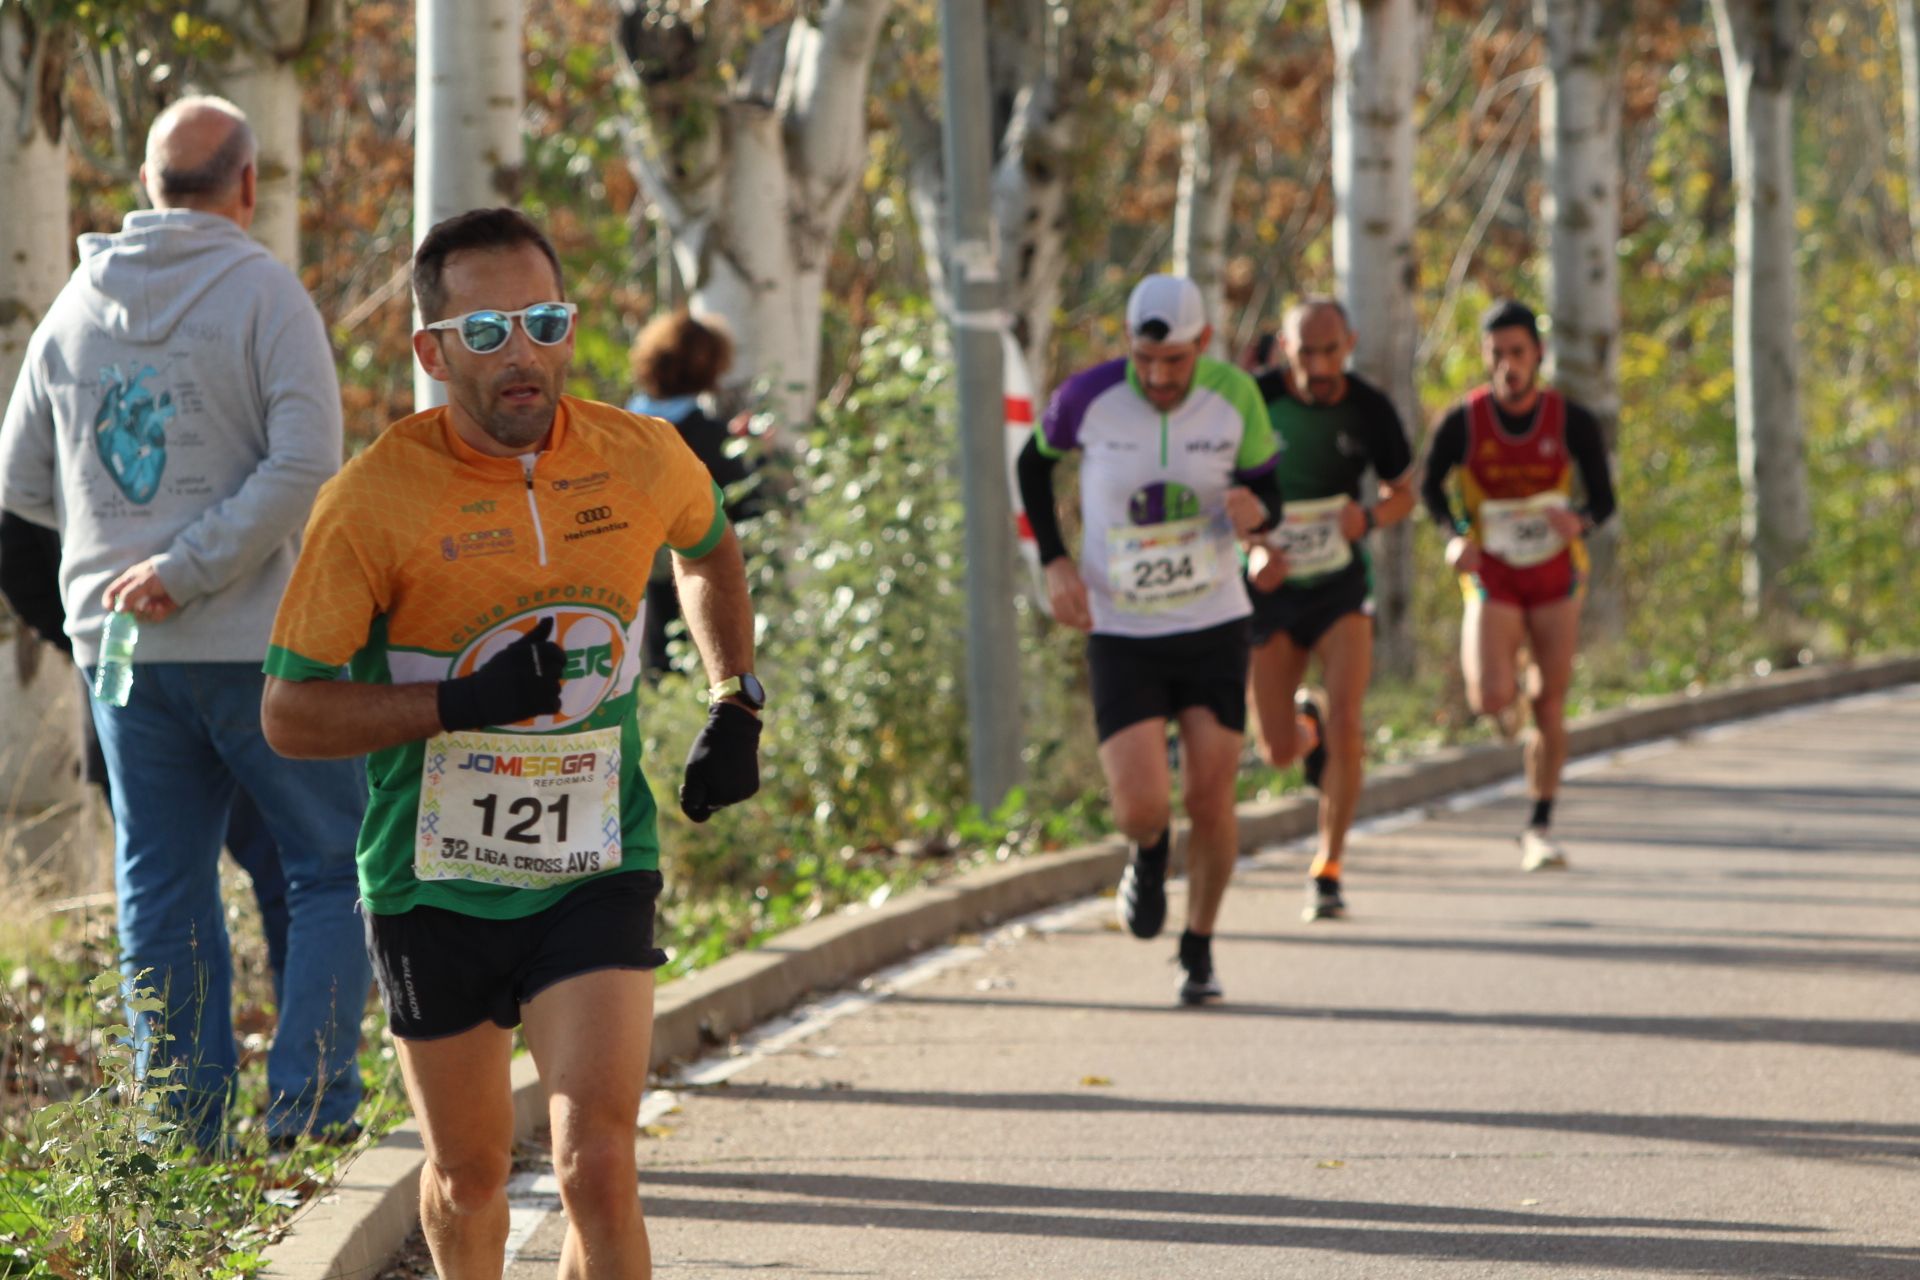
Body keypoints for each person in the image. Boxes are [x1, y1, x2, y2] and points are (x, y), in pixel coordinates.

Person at [260, 208, 762, 1280]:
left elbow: (710, 551)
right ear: (432, 352)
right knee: (474, 1174)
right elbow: (290, 713)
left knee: (598, 1163)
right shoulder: (372, 503)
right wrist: (458, 700)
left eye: (543, 321)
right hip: (431, 879)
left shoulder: (638, 456)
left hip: (593, 864)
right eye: (486, 331)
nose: (522, 353)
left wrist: (736, 696)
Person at [0, 96, 370, 1150]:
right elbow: (304, 460)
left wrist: (97, 602)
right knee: (332, 863)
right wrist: (195, 563)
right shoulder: (264, 294)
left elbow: (18, 491)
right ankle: (309, 1116)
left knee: (159, 886)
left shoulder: (72, 310)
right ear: (247, 183)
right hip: (255, 645)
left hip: (125, 661)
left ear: (152, 185)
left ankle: (184, 1138)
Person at [1017, 273, 1282, 1006]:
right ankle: (1148, 850)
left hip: (1213, 624)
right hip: (1122, 629)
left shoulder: (1235, 397)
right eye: (1145, 361)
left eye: (1176, 363)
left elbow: (1272, 492)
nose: (1160, 378)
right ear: (1129, 347)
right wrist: (1056, 560)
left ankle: (1198, 947)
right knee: (1140, 806)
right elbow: (1031, 468)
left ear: (1203, 344)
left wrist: (1254, 510)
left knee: (1212, 794)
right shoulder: (1087, 397)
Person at [0, 510, 292, 999]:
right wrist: (90, 637)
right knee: (190, 890)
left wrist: (90, 638)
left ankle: (302, 1062)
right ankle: (295, 1067)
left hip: (204, 672)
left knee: (180, 889)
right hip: (196, 669)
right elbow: (13, 526)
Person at [1419, 299, 1616, 871]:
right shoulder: (1464, 421)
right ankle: (1510, 712)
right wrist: (1456, 535)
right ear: (1485, 357)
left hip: (1556, 572)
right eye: (1497, 354)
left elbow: (1604, 499)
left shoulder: (1570, 420)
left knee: (1550, 702)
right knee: (1492, 696)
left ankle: (1539, 823)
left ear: (1538, 356)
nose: (1508, 365)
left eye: (1518, 353)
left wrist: (1578, 519)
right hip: (1494, 573)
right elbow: (1431, 489)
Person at [1239, 298, 1415, 922]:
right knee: (1278, 751)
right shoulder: (1254, 400)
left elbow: (1404, 492)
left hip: (1341, 586)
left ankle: (1328, 866)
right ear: (1284, 348)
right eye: (1305, 352)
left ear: (1351, 343)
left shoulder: (1368, 407)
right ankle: (1301, 725)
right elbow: (1221, 491)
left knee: (1349, 723)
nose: (1318, 365)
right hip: (1273, 587)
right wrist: (1254, 545)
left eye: (1330, 351)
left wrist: (1366, 516)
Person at [626, 310, 760, 676]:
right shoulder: (708, 435)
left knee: (656, 668)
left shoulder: (624, 424)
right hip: (700, 571)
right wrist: (754, 457)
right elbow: (745, 506)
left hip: (635, 570)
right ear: (712, 366)